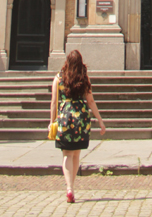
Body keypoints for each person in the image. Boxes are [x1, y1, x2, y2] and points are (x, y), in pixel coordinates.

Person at [50, 49, 106, 202]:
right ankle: (72, 186)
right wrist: (100, 121)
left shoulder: (58, 78)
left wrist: (51, 122)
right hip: (81, 119)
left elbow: (54, 102)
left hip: (65, 118)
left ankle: (69, 188)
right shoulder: (84, 79)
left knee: (67, 154)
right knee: (76, 155)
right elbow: (91, 101)